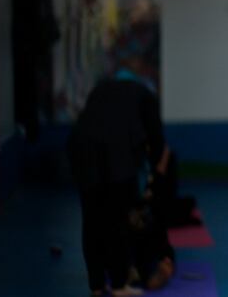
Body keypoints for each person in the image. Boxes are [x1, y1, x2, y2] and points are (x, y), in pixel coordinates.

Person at [67, 53, 167, 296]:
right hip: (116, 153)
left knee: (91, 219)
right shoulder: (145, 94)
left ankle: (97, 286)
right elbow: (156, 139)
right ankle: (120, 284)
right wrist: (155, 176)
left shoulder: (101, 89)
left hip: (82, 149)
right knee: (118, 220)